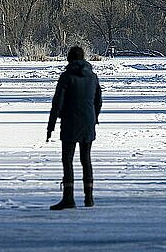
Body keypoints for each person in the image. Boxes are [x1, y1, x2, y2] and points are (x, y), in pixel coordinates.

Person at [47, 46, 102, 210]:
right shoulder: (93, 77)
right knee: (86, 160)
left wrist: (50, 127)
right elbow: (98, 101)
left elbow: (57, 103)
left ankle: (69, 198)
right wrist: (94, 118)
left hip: (70, 123)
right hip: (88, 123)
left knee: (68, 161)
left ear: (69, 59)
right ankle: (89, 197)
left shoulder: (66, 77)